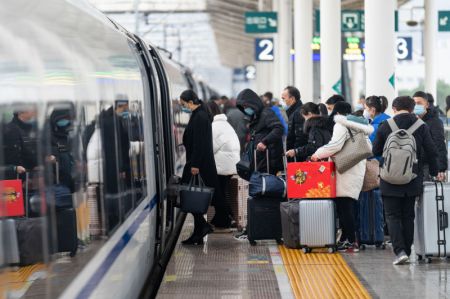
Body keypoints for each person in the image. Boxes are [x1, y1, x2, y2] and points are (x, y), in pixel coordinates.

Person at [373, 96, 439, 265]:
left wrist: (387, 163)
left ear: (394, 108)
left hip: (389, 178)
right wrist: (433, 171)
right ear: (411, 109)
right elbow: (432, 151)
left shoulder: (385, 125)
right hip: (412, 177)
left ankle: (399, 251)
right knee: (408, 215)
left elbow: (376, 150)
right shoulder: (421, 126)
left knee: (392, 216)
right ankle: (407, 251)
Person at [311, 102, 373, 253]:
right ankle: (347, 238)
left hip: (344, 169)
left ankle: (352, 241)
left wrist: (317, 154)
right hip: (355, 167)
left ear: (338, 112)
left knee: (345, 207)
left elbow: (335, 145)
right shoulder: (360, 126)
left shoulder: (341, 124)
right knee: (348, 205)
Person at [180, 90, 218, 245]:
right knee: (193, 198)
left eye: (183, 104)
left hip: (198, 165)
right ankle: (199, 232)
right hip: (197, 163)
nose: (183, 107)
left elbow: (199, 143)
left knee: (191, 198)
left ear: (190, 102)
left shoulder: (200, 117)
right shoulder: (199, 115)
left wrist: (195, 165)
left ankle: (201, 228)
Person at [207, 101, 240, 231]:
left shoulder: (215, 127)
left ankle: (227, 217)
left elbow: (212, 147)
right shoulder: (225, 124)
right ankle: (222, 217)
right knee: (222, 191)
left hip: (221, 164)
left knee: (218, 193)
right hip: (229, 163)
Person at [236, 89, 284, 175]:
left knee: (267, 184)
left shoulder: (266, 113)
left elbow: (279, 128)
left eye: (246, 106)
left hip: (268, 160)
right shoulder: (255, 116)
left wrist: (264, 141)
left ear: (252, 103)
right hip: (261, 159)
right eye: (243, 107)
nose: (245, 109)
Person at [413, 91, 447, 181]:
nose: (416, 106)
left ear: (427, 105)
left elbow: (439, 145)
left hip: (427, 165)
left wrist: (440, 168)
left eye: (419, 103)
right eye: (414, 103)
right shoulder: (412, 120)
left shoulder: (434, 122)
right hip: (414, 164)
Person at [3, 108, 39, 179]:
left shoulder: (33, 129)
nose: (34, 111)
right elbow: (13, 157)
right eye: (31, 109)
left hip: (32, 174)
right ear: (20, 112)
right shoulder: (10, 130)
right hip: (18, 176)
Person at [283, 86, 307, 159]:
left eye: (284, 99)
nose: (283, 101)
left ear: (292, 99)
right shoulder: (294, 111)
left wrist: (295, 153)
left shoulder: (298, 113)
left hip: (297, 156)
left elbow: (300, 137)